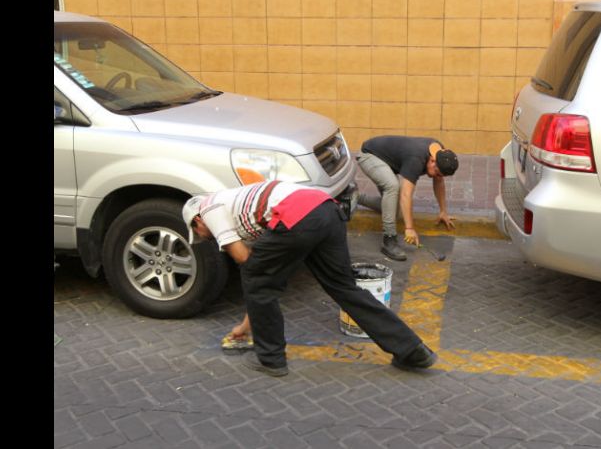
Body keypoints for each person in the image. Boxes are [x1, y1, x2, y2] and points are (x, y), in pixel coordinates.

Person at [182, 180, 437, 377]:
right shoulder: (236, 204)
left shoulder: (211, 209)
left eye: (200, 233)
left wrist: (266, 279)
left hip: (298, 218)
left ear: (197, 220)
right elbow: (267, 272)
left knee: (254, 276)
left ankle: (271, 360)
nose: (206, 238)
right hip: (326, 209)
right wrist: (246, 326)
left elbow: (248, 265)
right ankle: (413, 351)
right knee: (343, 287)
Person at [357, 135, 459, 261]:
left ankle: (355, 197)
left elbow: (439, 182)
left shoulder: (441, 154)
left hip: (387, 161)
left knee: (394, 209)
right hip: (369, 155)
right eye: (436, 173)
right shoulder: (416, 158)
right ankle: (389, 240)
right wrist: (409, 228)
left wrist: (443, 211)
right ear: (432, 161)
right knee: (393, 186)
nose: (435, 176)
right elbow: (406, 194)